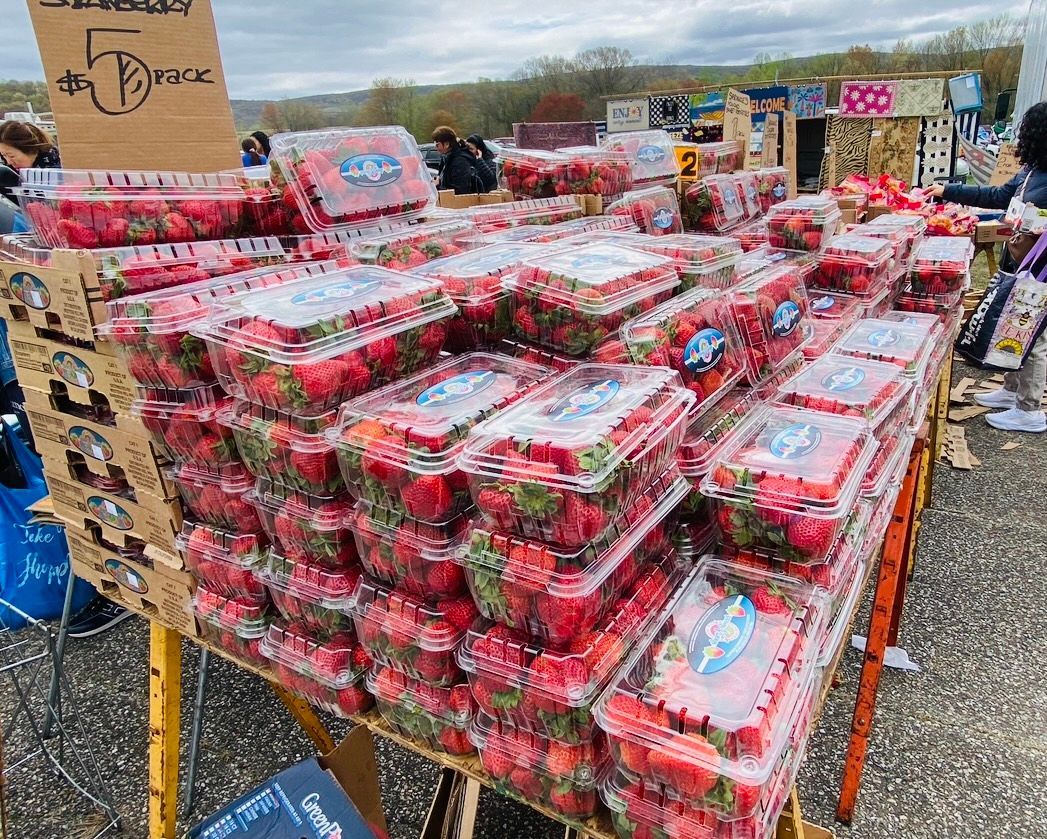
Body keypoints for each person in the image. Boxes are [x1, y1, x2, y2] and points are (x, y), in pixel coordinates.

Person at [927, 101, 1047, 433]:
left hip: (1041, 269)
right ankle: (1011, 389)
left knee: (1033, 337)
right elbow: (998, 195)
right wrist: (948, 190)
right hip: (1022, 261)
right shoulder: (1032, 171)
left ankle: (1029, 410)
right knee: (1012, 326)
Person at [432, 125, 483, 195]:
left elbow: (460, 191)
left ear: (447, 144)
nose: (436, 148)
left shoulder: (460, 162)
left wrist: (438, 186)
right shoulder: (446, 159)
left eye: (437, 145)